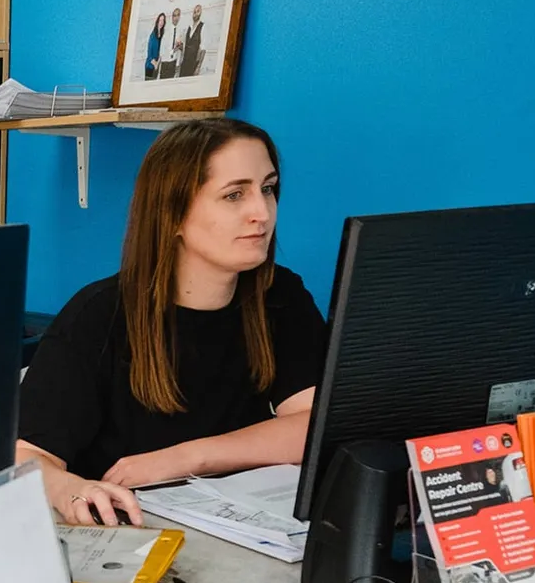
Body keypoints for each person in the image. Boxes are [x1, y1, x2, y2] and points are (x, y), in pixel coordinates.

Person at [17, 118, 329, 526]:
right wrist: (69, 488)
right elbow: (27, 459)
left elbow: (316, 425)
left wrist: (187, 458)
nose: (262, 212)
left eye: (267, 189)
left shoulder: (279, 295)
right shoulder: (97, 315)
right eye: (235, 195)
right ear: (174, 214)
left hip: (235, 529)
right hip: (124, 532)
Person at [182, 3, 206, 77]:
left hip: (193, 65)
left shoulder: (203, 26)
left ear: (201, 13)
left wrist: (198, 67)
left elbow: (203, 50)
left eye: (198, 11)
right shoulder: (189, 27)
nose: (195, 14)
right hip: (184, 64)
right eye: (194, 12)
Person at [161, 7, 184, 78]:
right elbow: (162, 48)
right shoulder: (166, 30)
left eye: (178, 15)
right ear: (172, 17)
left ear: (179, 17)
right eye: (174, 15)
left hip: (173, 62)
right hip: (165, 62)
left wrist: (177, 64)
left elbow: (180, 50)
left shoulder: (180, 31)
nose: (176, 18)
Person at [144, 13, 166, 80]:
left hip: (156, 66)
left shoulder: (162, 34)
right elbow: (149, 54)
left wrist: (158, 62)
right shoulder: (153, 35)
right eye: (160, 20)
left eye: (163, 20)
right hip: (150, 66)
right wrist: (155, 64)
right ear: (157, 21)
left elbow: (160, 51)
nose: (161, 22)